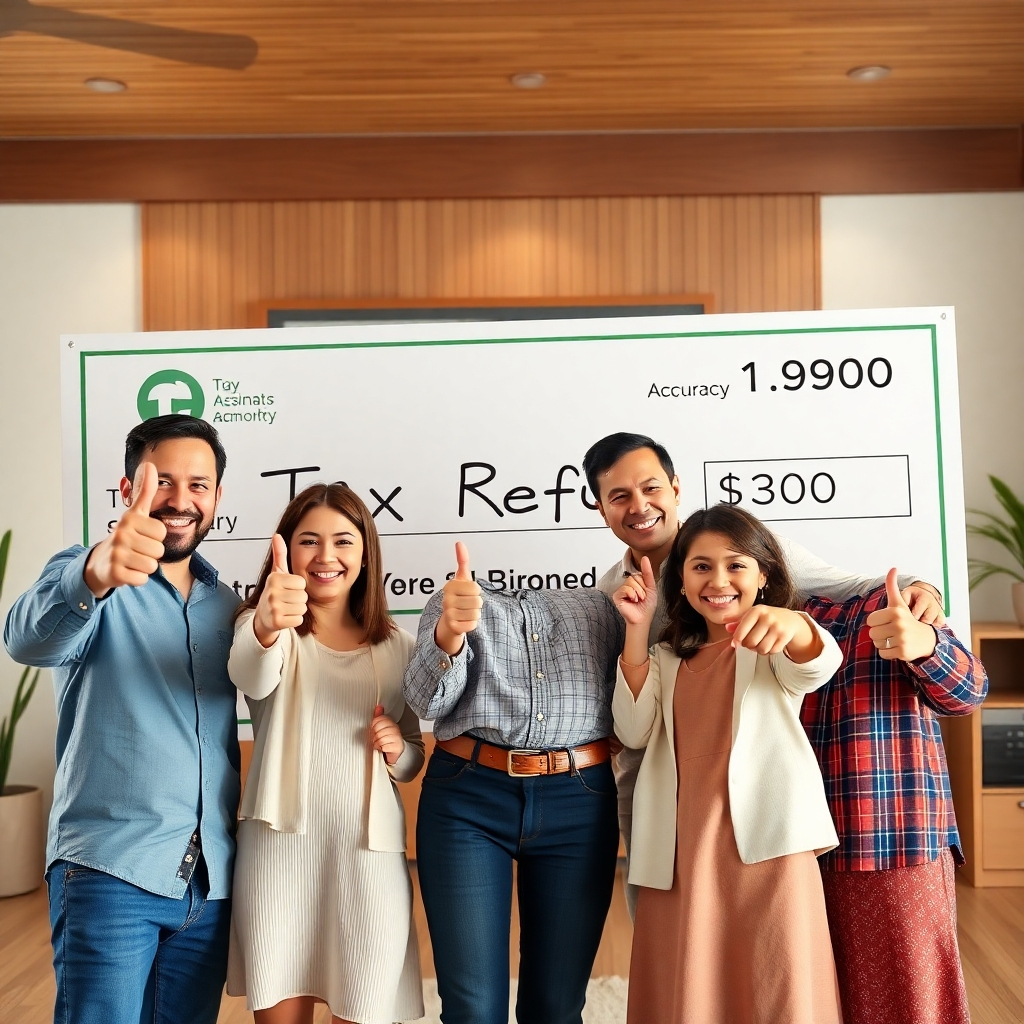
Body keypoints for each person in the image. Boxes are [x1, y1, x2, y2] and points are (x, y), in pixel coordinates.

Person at [582, 430, 945, 916]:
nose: (639, 505)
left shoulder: (742, 545)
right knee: (663, 924)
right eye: (619, 496)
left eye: (651, 488)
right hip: (656, 777)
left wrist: (924, 589)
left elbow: (845, 592)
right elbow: (625, 708)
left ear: (675, 489)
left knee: (759, 927)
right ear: (601, 508)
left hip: (748, 774)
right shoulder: (610, 595)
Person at [3, 414, 239, 1024]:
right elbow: (25, 640)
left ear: (216, 497)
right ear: (127, 487)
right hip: (110, 871)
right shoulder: (85, 570)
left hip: (207, 883)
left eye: (199, 485)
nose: (181, 501)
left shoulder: (231, 607)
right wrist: (94, 576)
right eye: (163, 481)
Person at [612, 503, 844, 1023]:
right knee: (689, 988)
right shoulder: (668, 659)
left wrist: (794, 625)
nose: (718, 580)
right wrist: (637, 629)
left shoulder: (774, 644)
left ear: (764, 575)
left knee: (777, 983)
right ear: (682, 580)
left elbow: (818, 664)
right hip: (683, 848)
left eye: (736, 565)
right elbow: (631, 730)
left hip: (769, 847)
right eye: (701, 566)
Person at [226, 483, 425, 1024]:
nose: (326, 556)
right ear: (286, 551)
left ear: (366, 553)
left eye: (343, 541)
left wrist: (397, 751)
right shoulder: (265, 628)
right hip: (278, 850)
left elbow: (413, 756)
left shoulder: (398, 645)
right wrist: (268, 623)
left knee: (366, 1003)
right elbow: (249, 672)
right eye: (308, 541)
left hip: (369, 854)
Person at [404, 541, 623, 1024]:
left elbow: (633, 710)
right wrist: (449, 636)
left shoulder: (606, 610)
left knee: (557, 1006)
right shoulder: (454, 600)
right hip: (467, 798)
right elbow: (426, 704)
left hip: (579, 801)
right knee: (472, 1009)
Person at [802, 568, 988, 1024]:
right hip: (793, 852)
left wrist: (927, 645)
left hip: (892, 844)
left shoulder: (889, 607)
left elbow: (969, 693)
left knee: (912, 1003)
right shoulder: (752, 626)